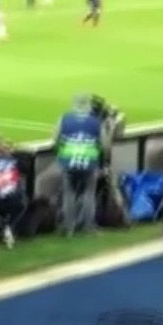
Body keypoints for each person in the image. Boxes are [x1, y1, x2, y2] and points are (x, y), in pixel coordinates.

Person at [54, 94, 104, 235]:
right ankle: (88, 227)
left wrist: (60, 154)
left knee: (69, 193)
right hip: (89, 161)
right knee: (89, 194)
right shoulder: (96, 122)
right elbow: (104, 144)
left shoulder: (64, 119)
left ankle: (69, 227)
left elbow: (56, 140)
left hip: (68, 160)